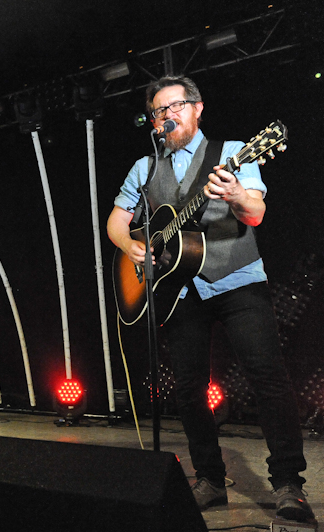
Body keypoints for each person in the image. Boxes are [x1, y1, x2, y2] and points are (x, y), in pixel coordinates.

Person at [107, 75, 313, 522]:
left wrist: (236, 192)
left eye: (175, 106)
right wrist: (132, 247)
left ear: (197, 108)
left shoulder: (234, 151)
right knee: (188, 389)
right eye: (159, 111)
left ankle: (288, 484)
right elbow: (117, 222)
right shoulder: (144, 169)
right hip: (179, 290)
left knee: (267, 379)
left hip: (238, 278)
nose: (167, 116)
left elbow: (255, 213)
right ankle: (210, 479)